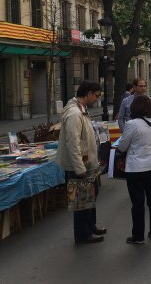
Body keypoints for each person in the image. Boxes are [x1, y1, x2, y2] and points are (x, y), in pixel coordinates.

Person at [56, 80, 107, 244]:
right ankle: (83, 234)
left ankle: (90, 226)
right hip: (80, 166)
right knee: (80, 201)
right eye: (97, 96)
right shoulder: (74, 114)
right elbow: (73, 143)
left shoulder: (80, 109)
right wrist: (79, 168)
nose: (97, 99)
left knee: (90, 196)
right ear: (89, 93)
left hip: (88, 164)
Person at [118, 95, 151, 244]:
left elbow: (123, 146)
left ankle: (138, 236)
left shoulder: (131, 124)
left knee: (138, 203)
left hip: (136, 168)